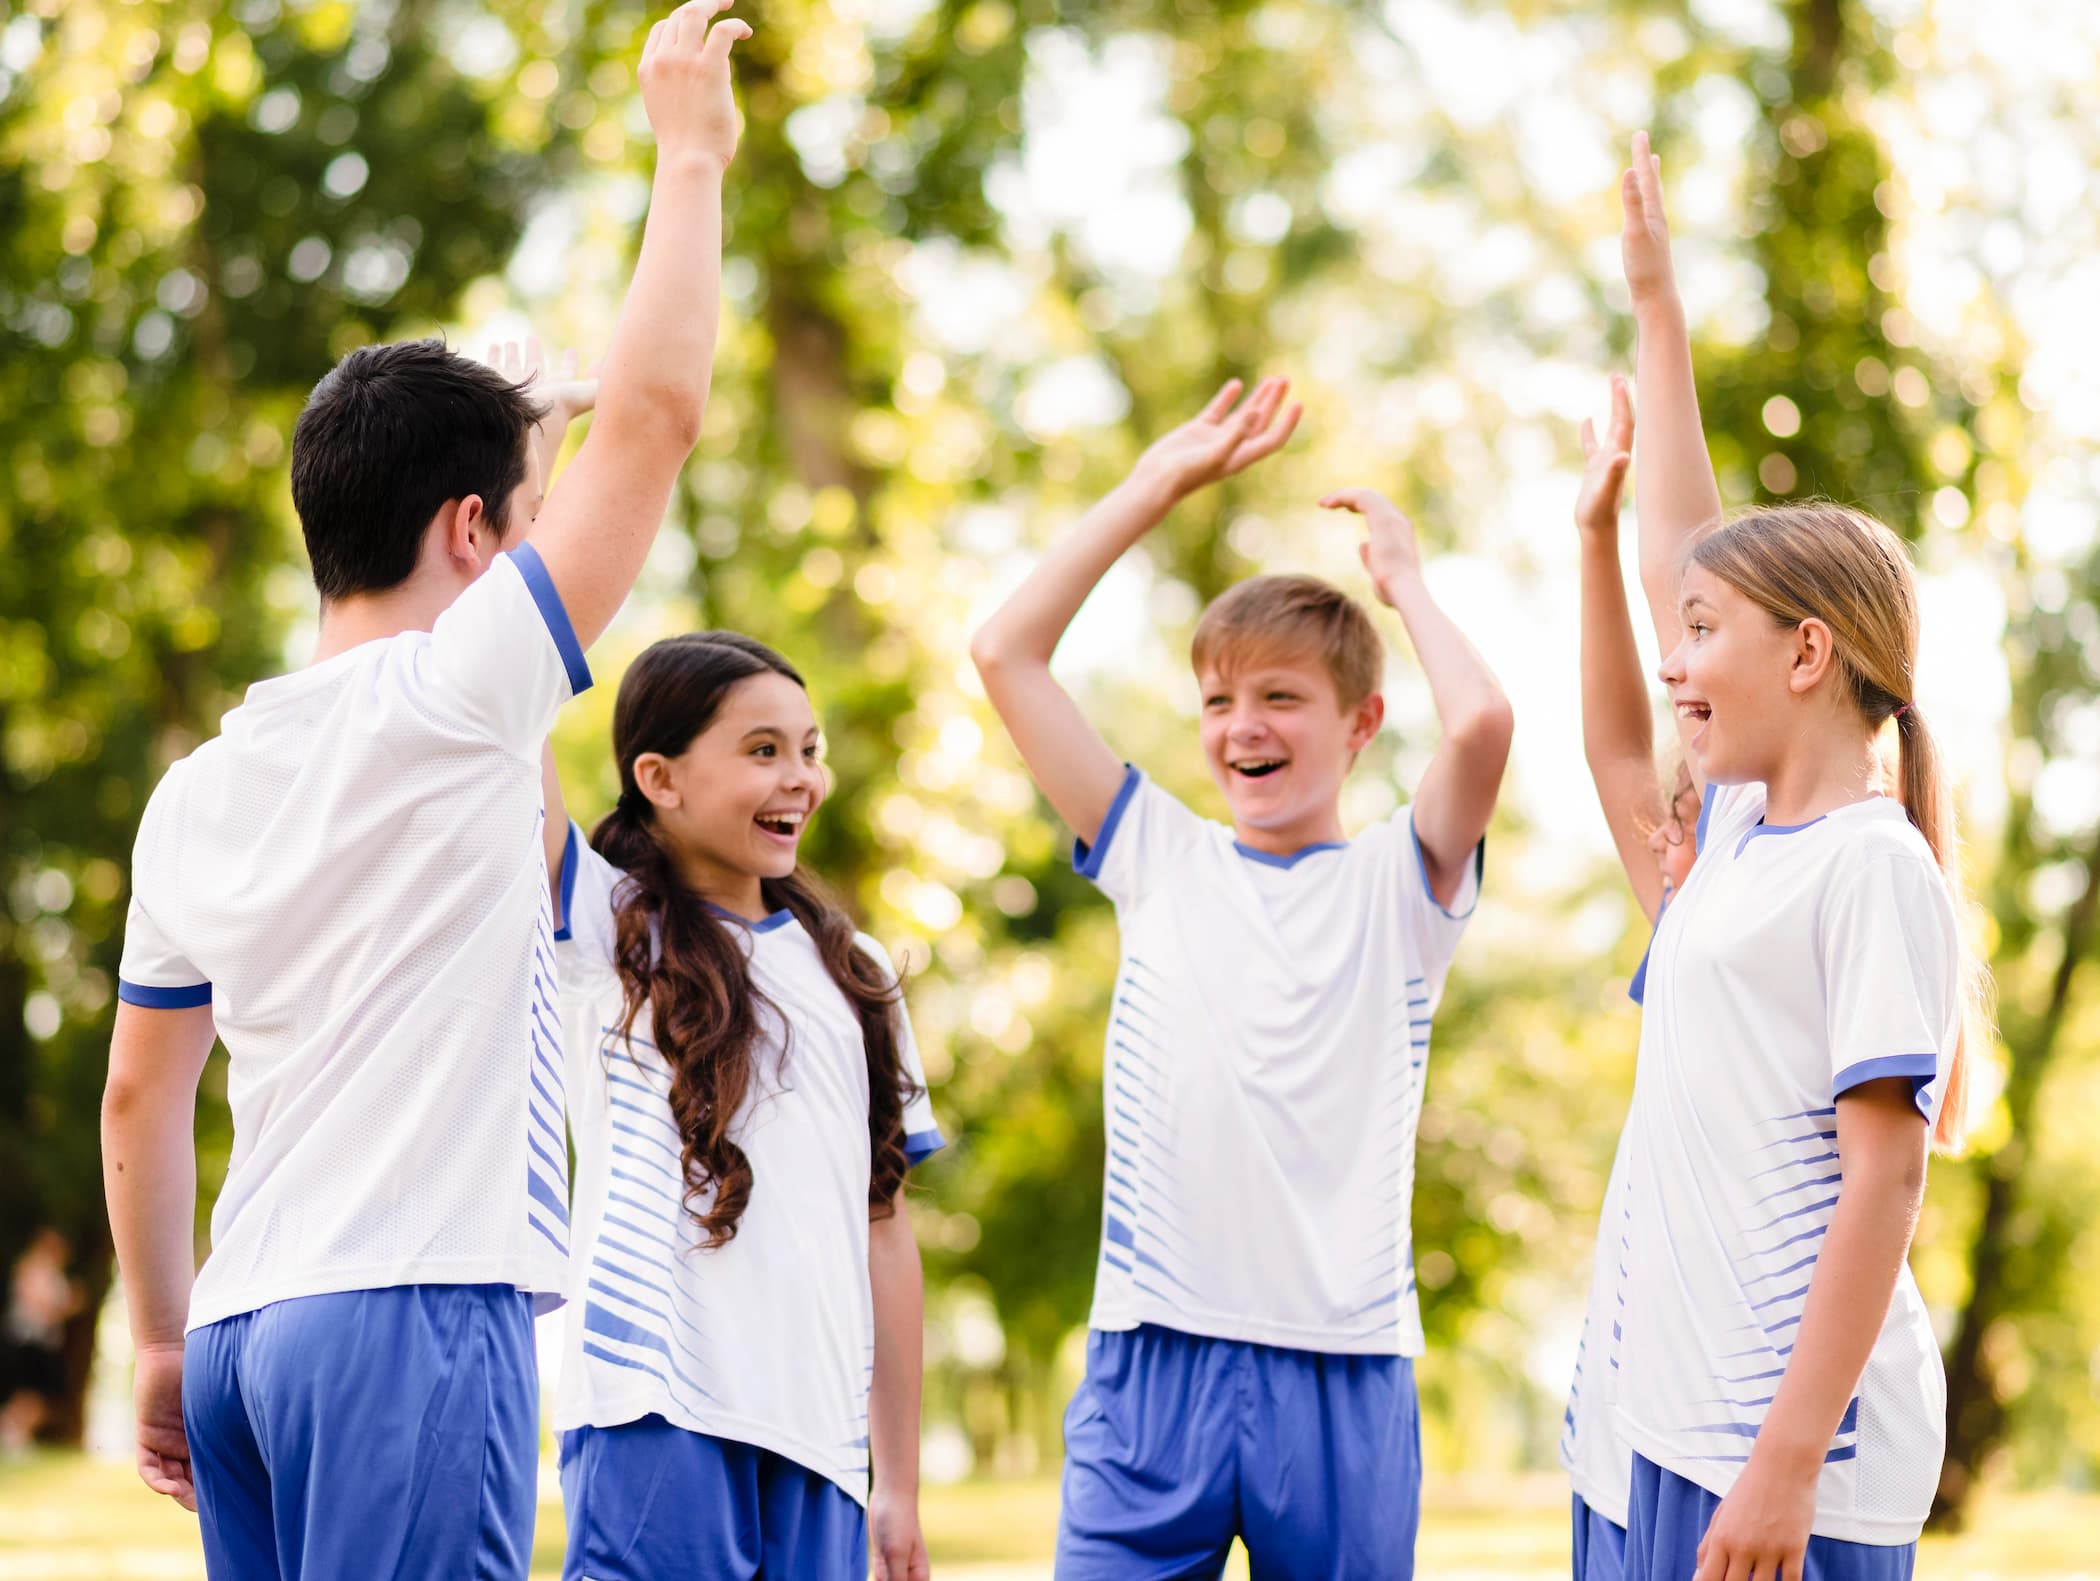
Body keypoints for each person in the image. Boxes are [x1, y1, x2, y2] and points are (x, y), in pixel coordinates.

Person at [98, 6, 750, 1576]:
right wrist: (690, 152)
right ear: (470, 533)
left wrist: (162, 1342)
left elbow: (140, 1097)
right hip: (409, 1315)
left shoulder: (195, 792)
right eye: (523, 519)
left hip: (244, 1337)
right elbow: (657, 421)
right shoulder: (459, 700)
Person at [970, 379, 1514, 1578]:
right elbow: (1005, 652)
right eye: (1218, 700)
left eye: (1280, 697)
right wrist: (1153, 485)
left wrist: (1405, 583)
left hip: (1342, 1371)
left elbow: (1481, 725)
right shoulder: (1157, 854)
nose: (1241, 726)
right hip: (1151, 1359)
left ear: (1361, 723)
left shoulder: (1401, 884)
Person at [1610, 130, 1984, 1581]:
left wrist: (1782, 1463)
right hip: (1685, 1438)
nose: (1677, 661)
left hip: (1791, 1469)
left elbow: (1885, 1183)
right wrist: (1658, 313)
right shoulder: (1742, 839)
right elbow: (1682, 546)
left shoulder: (1872, 868)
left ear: (1810, 654)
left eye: (1706, 635)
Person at [544, 633, 942, 1581]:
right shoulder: (604, 927)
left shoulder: (857, 972)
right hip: (656, 1410)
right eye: (763, 750)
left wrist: (898, 1481)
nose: (800, 776)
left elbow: (885, 1230)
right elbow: (507, 706)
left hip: (822, 1440)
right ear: (659, 778)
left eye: (809, 749)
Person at [1559, 375, 1702, 1581]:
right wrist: (1591, 535)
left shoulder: (1814, 876)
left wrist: (1659, 312)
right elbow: (1612, 746)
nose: (1655, 829)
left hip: (1726, 1436)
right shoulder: (1693, 905)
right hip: (1624, 1430)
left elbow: (1692, 563)